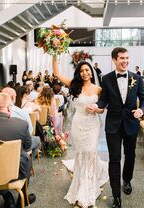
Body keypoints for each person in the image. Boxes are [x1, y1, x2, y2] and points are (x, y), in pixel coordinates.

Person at [88, 47, 144, 208]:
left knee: (130, 155)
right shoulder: (106, 79)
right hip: (113, 125)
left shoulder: (137, 78)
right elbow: (103, 100)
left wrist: (141, 109)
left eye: (127, 58)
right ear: (114, 60)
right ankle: (116, 195)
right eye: (122, 58)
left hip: (131, 123)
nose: (125, 61)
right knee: (114, 159)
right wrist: (96, 105)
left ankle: (127, 179)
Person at [52, 57, 108, 208]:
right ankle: (81, 182)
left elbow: (103, 108)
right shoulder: (74, 85)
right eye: (82, 71)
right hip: (78, 123)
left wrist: (96, 109)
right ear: (79, 73)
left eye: (87, 70)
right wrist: (55, 52)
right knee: (81, 153)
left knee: (90, 152)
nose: (84, 73)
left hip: (92, 125)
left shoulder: (99, 89)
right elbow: (56, 73)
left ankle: (87, 188)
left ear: (91, 72)